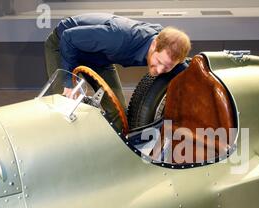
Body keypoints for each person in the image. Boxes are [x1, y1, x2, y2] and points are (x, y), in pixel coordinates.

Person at [44, 13, 191, 129]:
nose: (159, 70)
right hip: (64, 45)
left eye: (166, 67)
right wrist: (68, 83)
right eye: (158, 62)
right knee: (63, 105)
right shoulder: (119, 38)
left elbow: (185, 68)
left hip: (100, 57)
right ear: (154, 45)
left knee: (119, 117)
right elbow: (68, 38)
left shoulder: (167, 50)